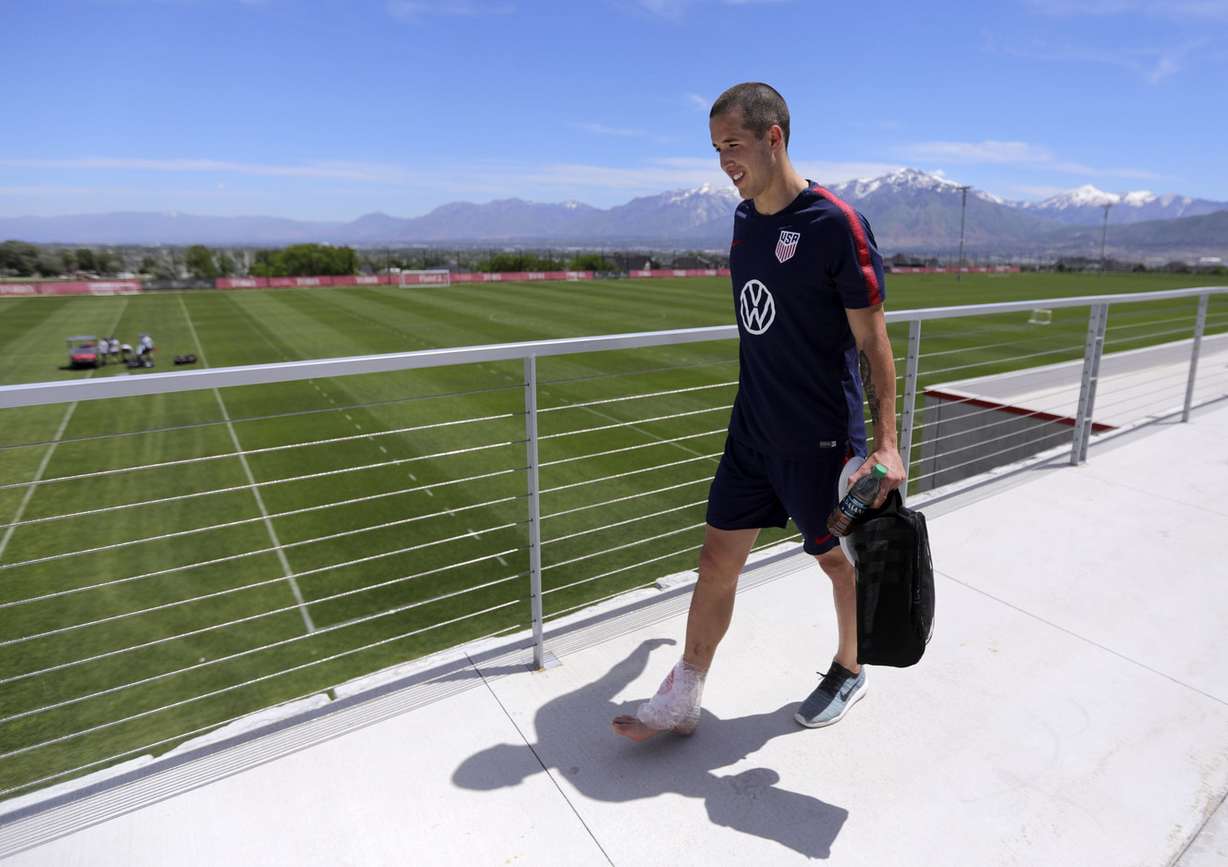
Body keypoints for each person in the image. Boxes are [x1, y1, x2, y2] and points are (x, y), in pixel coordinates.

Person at [612, 82, 905, 742]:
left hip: (820, 437)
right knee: (716, 559)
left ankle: (850, 667)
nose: (724, 163)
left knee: (837, 564)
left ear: (775, 137)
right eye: (716, 150)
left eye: (734, 146)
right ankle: (684, 690)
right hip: (751, 429)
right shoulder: (744, 219)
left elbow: (874, 340)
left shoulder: (837, 225)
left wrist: (885, 441)